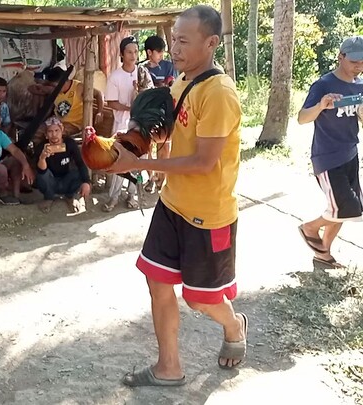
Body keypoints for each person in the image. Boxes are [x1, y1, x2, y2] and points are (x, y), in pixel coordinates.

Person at [105, 5, 247, 386]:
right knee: (157, 280)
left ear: (211, 42)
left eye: (184, 40)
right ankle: (169, 367)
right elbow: (169, 133)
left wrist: (139, 168)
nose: (175, 47)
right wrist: (135, 141)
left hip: (208, 212)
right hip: (173, 204)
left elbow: (203, 162)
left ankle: (234, 324)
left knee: (200, 299)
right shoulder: (182, 82)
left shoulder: (219, 93)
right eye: (174, 40)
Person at [297, 35, 363, 268]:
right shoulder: (323, 85)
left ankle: (323, 254)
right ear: (341, 57)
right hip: (327, 157)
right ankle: (310, 228)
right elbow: (302, 119)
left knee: (343, 209)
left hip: (350, 154)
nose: (358, 66)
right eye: (354, 61)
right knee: (347, 208)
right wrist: (320, 105)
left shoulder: (360, 85)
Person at [103, 36, 153, 212]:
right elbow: (111, 103)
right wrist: (131, 106)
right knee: (120, 161)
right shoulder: (115, 76)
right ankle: (113, 197)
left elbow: (150, 95)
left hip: (141, 126)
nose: (133, 55)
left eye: (135, 51)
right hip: (122, 125)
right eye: (129, 52)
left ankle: (132, 194)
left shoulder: (143, 73)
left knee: (139, 161)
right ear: (122, 54)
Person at [28, 66, 105, 144]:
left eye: (55, 86)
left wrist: (100, 111)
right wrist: (43, 87)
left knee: (54, 134)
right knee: (35, 131)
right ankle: (40, 153)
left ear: (64, 82)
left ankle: (55, 153)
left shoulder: (78, 87)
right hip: (57, 121)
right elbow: (31, 88)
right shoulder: (54, 89)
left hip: (74, 124)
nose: (54, 88)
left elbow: (99, 94)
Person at [142, 35, 177, 192]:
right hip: (147, 114)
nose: (162, 55)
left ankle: (162, 181)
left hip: (164, 114)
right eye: (159, 52)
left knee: (164, 147)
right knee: (148, 147)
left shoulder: (168, 66)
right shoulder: (141, 69)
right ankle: (150, 178)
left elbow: (172, 85)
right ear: (150, 52)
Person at [33, 117, 91, 213]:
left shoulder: (70, 143)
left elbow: (80, 163)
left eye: (57, 130)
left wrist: (86, 182)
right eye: (50, 131)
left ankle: (69, 197)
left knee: (78, 172)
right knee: (42, 176)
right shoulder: (42, 147)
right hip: (50, 182)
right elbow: (41, 172)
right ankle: (49, 198)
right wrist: (42, 157)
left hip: (65, 180)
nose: (54, 135)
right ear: (46, 135)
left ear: (62, 131)